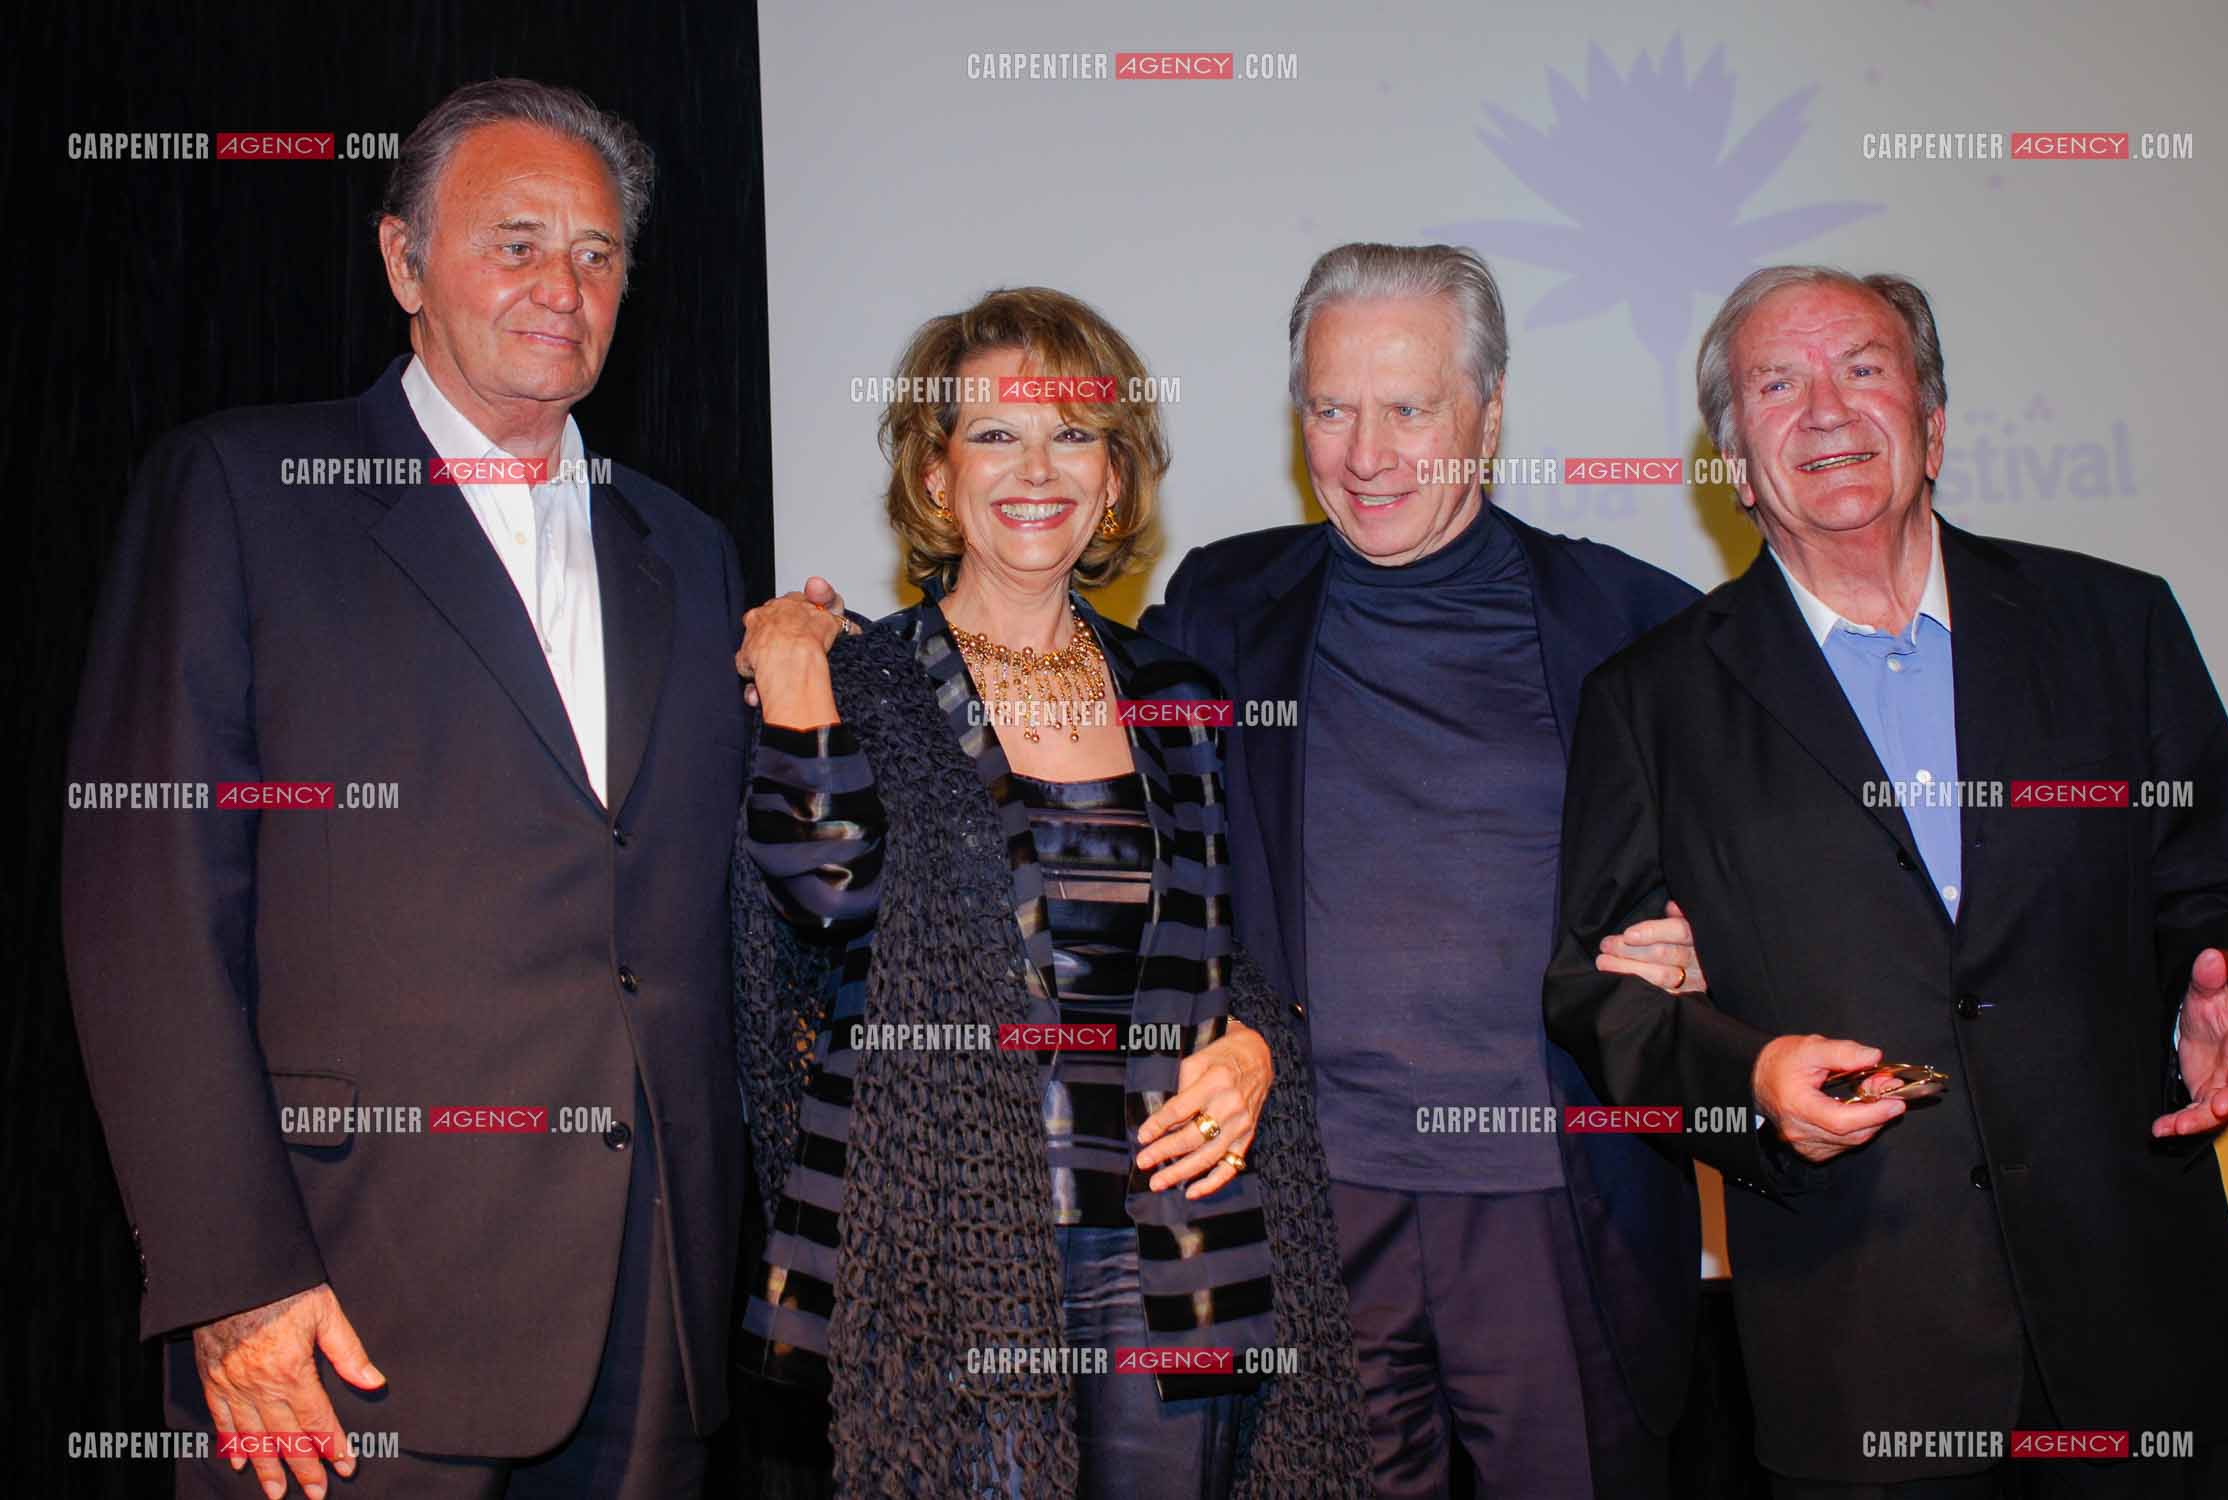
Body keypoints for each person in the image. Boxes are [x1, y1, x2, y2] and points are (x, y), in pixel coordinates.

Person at [63, 79, 748, 1498]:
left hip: (649, 1315)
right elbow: (148, 915)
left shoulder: (686, 551)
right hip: (342, 1321)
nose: (563, 287)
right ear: (402, 262)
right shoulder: (242, 493)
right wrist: (231, 1278)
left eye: (600, 253)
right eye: (515, 241)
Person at [1544, 264, 2228, 1497]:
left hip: (2145, 1330)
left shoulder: (2113, 625)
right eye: (1776, 384)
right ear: (1730, 457)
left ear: (1931, 422)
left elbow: (2222, 887)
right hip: (1861, 1354)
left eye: (1863, 370)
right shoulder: (1649, 701)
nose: (1824, 410)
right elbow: (1601, 995)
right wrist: (1746, 1081)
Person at [732, 286, 1371, 1498]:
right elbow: (823, 900)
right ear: (934, 477)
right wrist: (792, 681)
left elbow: (1246, 960)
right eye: (994, 433)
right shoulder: (851, 678)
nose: (1038, 469)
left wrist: (1256, 1051)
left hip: (1166, 1246)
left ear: (1118, 481)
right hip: (933, 1242)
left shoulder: (1178, 696)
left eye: (1075, 434)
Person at [1134, 242, 1708, 1499]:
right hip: (1306, 1197)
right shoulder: (1225, 604)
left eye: (1409, 408)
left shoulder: (1637, 620)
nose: (1365, 453)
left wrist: (1719, 943)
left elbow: (1769, 859)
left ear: (1488, 413)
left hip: (1556, 1197)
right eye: (1331, 409)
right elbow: (1092, 783)